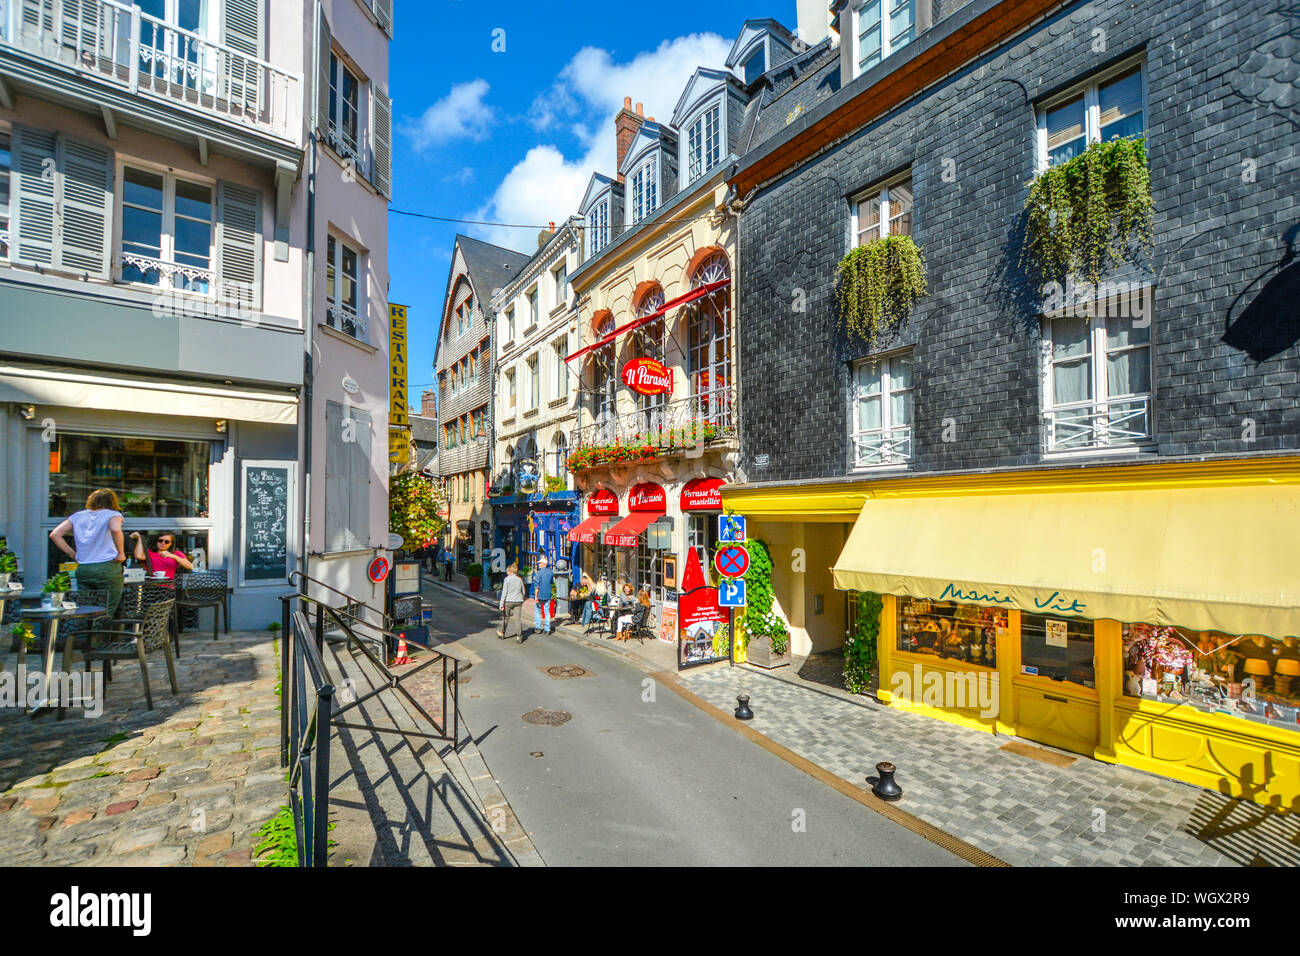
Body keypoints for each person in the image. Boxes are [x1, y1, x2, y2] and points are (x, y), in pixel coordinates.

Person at [49, 488, 126, 616]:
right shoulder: (112, 515)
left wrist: (72, 554)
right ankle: (100, 634)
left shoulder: (77, 516)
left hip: (84, 568)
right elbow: (116, 530)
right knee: (107, 607)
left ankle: (84, 634)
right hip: (107, 567)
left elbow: (55, 535)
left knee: (86, 607)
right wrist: (121, 553)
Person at [498, 563, 526, 643]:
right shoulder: (519, 579)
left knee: (506, 618)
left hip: (508, 601)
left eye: (507, 571)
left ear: (510, 571)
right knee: (517, 619)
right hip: (518, 601)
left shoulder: (507, 579)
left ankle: (502, 633)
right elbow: (523, 591)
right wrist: (522, 598)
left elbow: (504, 592)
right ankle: (519, 636)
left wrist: (501, 604)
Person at [532, 557, 555, 635]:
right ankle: (547, 628)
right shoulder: (551, 572)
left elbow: (537, 587)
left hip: (540, 595)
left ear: (544, 564)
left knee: (537, 611)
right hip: (548, 594)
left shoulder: (538, 573)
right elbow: (551, 582)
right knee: (547, 611)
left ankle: (538, 628)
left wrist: (535, 596)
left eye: (540, 563)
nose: (539, 565)